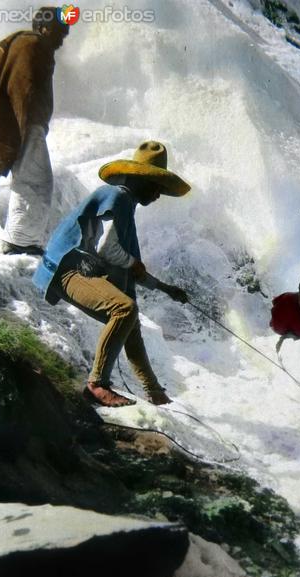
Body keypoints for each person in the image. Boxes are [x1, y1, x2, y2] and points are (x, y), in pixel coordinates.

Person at [33, 141, 190, 408]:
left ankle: (154, 391)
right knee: (124, 309)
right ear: (139, 179)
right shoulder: (118, 197)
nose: (158, 195)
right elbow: (108, 249)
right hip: (66, 270)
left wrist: (166, 289)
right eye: (155, 186)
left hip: (72, 270)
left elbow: (129, 264)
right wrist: (133, 264)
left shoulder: (122, 201)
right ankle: (96, 385)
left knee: (131, 321)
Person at [0, 7, 69, 255]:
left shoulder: (19, 42)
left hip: (19, 122)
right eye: (59, 33)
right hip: (26, 124)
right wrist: (28, 124)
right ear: (44, 28)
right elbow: (25, 89)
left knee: (29, 181)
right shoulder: (35, 45)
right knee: (37, 182)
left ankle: (20, 239)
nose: (61, 41)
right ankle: (19, 242)